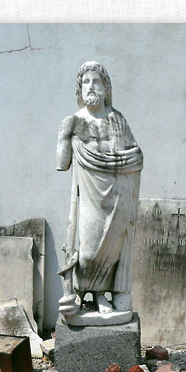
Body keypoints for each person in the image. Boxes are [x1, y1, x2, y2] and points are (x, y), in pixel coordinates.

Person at [56, 61, 143, 318]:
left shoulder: (118, 120)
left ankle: (103, 295)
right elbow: (62, 164)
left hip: (118, 195)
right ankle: (83, 294)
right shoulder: (74, 122)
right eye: (86, 82)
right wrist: (63, 136)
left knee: (113, 250)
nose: (91, 86)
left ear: (106, 88)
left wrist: (126, 160)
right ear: (79, 89)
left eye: (96, 81)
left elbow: (136, 156)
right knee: (89, 251)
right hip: (90, 195)